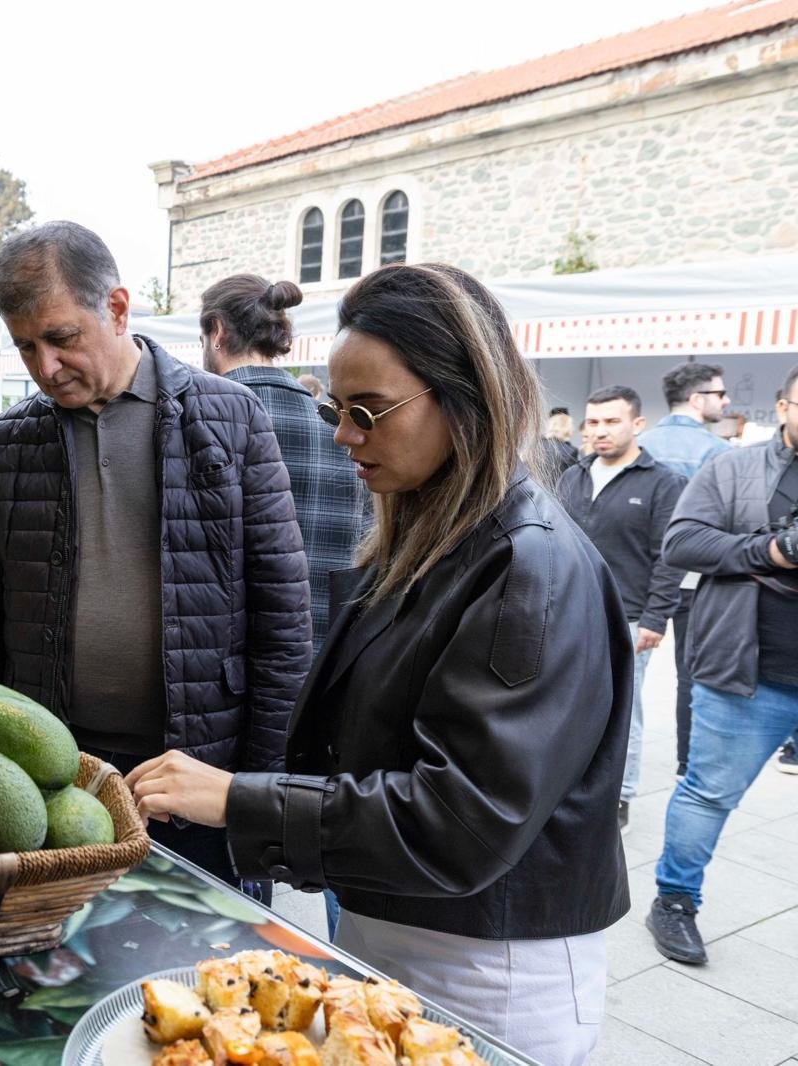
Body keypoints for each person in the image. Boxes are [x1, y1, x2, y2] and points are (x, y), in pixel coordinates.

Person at [127, 263, 631, 1066]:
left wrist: (240, 801)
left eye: (367, 412)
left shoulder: (527, 570)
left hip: (482, 962)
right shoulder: (439, 539)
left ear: (465, 398)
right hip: (404, 927)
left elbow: (459, 822)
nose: (343, 436)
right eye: (337, 409)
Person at [0, 221, 312, 887]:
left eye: (61, 338)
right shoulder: (5, 445)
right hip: (55, 778)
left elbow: (282, 619)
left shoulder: (231, 418)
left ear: (117, 309)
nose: (45, 367)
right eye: (26, 346)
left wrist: (252, 791)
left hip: (198, 773)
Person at [646, 366, 798, 966]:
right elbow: (681, 542)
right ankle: (675, 901)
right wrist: (770, 550)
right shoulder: (732, 468)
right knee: (708, 794)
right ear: (783, 407)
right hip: (748, 674)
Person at [200, 274, 366, 655]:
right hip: (323, 658)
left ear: (217, 331)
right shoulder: (343, 429)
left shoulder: (195, 421)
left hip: (223, 665)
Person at [556, 385, 685, 831]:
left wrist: (655, 617)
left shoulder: (663, 482)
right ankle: (567, 784)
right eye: (593, 422)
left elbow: (669, 556)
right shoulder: (572, 476)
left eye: (612, 421)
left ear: (637, 424)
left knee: (622, 712)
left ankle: (619, 795)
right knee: (564, 703)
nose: (600, 431)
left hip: (628, 619)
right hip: (568, 613)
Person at [638, 361, 731, 777]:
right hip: (696, 580)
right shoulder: (719, 453)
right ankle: (686, 764)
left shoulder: (642, 444)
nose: (726, 401)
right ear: (696, 399)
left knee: (623, 675)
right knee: (691, 674)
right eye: (719, 393)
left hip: (641, 579)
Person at [541, 406, 580, 475]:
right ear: (566, 426)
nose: (573, 429)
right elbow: (572, 479)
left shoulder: (534, 446)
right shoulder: (570, 452)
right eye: (571, 425)